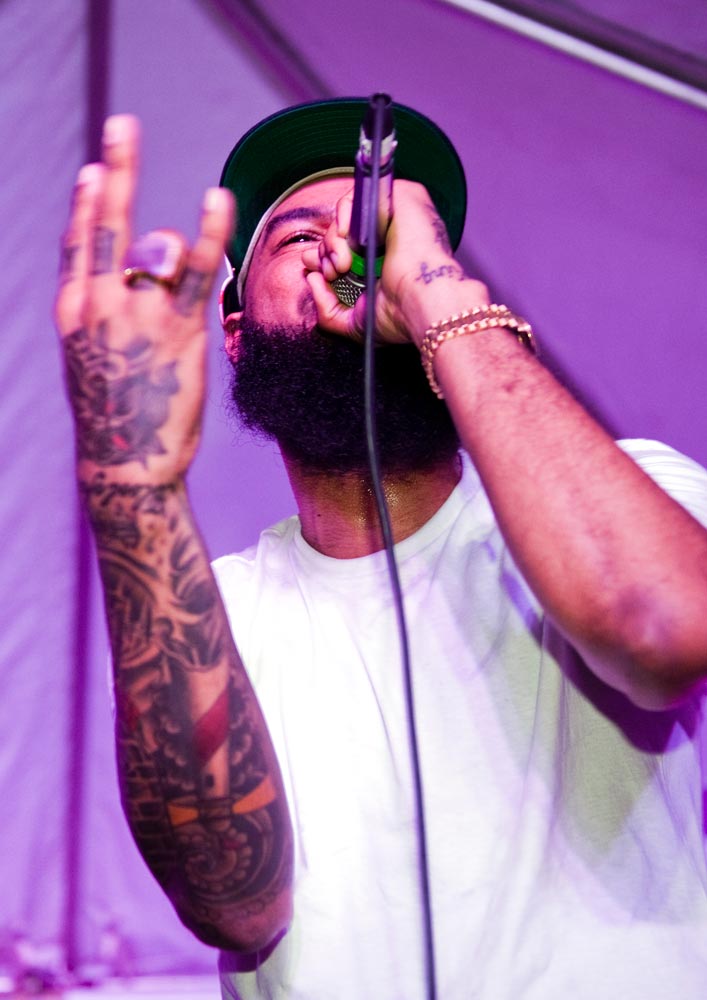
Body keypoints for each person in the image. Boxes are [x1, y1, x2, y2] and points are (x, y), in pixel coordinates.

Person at [54, 98, 707, 999]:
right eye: (299, 237)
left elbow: (667, 629)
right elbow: (230, 901)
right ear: (235, 336)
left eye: (382, 231)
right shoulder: (215, 611)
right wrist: (133, 484)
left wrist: (434, 293)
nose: (346, 251)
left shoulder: (632, 485)